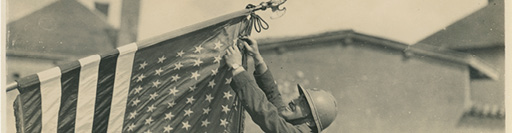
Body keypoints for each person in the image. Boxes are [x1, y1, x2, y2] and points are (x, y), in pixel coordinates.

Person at [224, 37, 338, 133]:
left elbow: (265, 114)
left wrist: (237, 68)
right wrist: (257, 58)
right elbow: (274, 99)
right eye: (299, 98)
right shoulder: (296, 126)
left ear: (310, 122)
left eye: (302, 103)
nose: (294, 101)